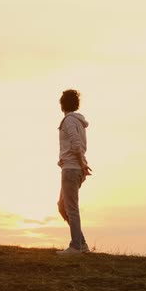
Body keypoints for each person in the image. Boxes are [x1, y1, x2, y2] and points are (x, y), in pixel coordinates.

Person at [56, 89, 92, 255]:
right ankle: (81, 243)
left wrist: (80, 163)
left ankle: (76, 247)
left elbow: (76, 144)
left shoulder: (70, 120)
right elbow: (75, 146)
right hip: (72, 166)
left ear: (62, 104)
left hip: (72, 169)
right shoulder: (77, 121)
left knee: (70, 208)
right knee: (62, 206)